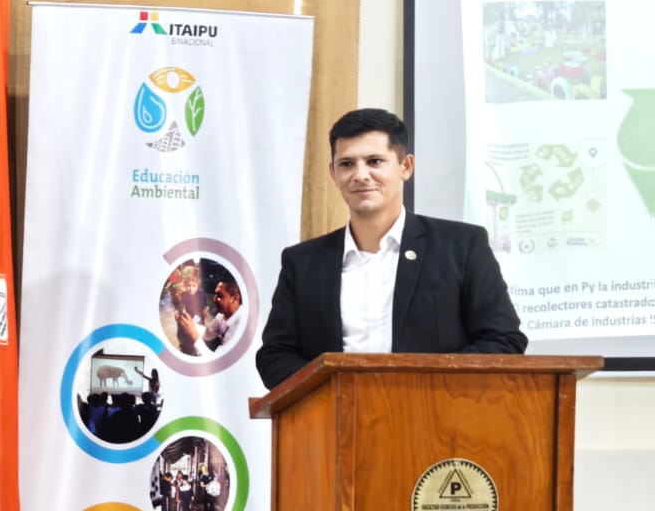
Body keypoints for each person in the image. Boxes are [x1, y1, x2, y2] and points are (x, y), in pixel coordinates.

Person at [256, 108, 526, 390]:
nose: (360, 175)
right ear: (333, 173)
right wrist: (332, 390)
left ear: (405, 166)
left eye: (374, 161)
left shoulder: (462, 246)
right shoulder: (302, 262)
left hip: (437, 411)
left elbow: (504, 340)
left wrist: (426, 386)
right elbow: (275, 355)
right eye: (347, 164)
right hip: (336, 414)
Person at [178, 277, 245, 356]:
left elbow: (216, 360)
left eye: (220, 295)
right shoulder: (222, 315)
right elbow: (208, 333)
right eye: (215, 294)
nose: (214, 299)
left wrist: (193, 333)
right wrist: (189, 324)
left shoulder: (239, 328)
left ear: (235, 298)